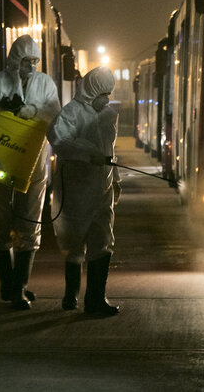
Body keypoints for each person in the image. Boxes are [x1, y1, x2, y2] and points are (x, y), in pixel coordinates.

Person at [0, 35, 61, 310]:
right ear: (14, 61)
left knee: (29, 221)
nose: (31, 66)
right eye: (26, 61)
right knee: (0, 220)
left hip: (33, 163)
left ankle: (18, 286)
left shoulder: (45, 84)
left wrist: (33, 110)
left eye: (35, 61)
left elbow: (55, 114)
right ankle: (10, 284)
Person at [47, 66, 122, 315]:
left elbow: (111, 150)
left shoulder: (109, 116)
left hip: (102, 188)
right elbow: (59, 139)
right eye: (104, 92)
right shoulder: (72, 112)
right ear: (93, 90)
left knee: (102, 242)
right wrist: (89, 153)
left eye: (109, 93)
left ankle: (95, 300)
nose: (107, 98)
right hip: (77, 188)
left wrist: (116, 179)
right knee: (74, 242)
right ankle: (71, 295)